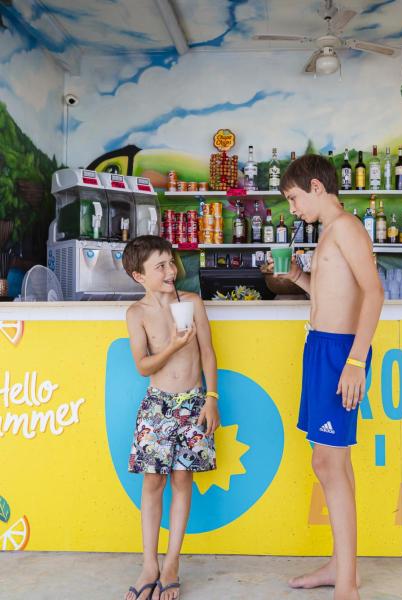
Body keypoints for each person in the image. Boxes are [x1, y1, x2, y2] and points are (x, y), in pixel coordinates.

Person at [263, 154, 384, 600]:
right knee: (331, 462)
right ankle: (340, 566)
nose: (293, 209)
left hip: (339, 353)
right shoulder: (330, 233)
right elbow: (334, 293)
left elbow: (374, 292)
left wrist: (355, 361)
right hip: (322, 348)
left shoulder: (347, 228)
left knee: (329, 464)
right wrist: (299, 277)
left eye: (294, 199)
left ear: (316, 187)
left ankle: (347, 583)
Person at [122, 235, 220, 600]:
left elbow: (209, 352)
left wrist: (211, 398)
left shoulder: (192, 302)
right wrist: (174, 345)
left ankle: (172, 562)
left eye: (170, 262)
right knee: (153, 484)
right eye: (159, 266)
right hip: (157, 406)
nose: (170, 271)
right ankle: (149, 563)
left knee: (182, 481)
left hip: (195, 404)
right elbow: (143, 365)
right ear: (139, 276)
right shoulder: (136, 314)